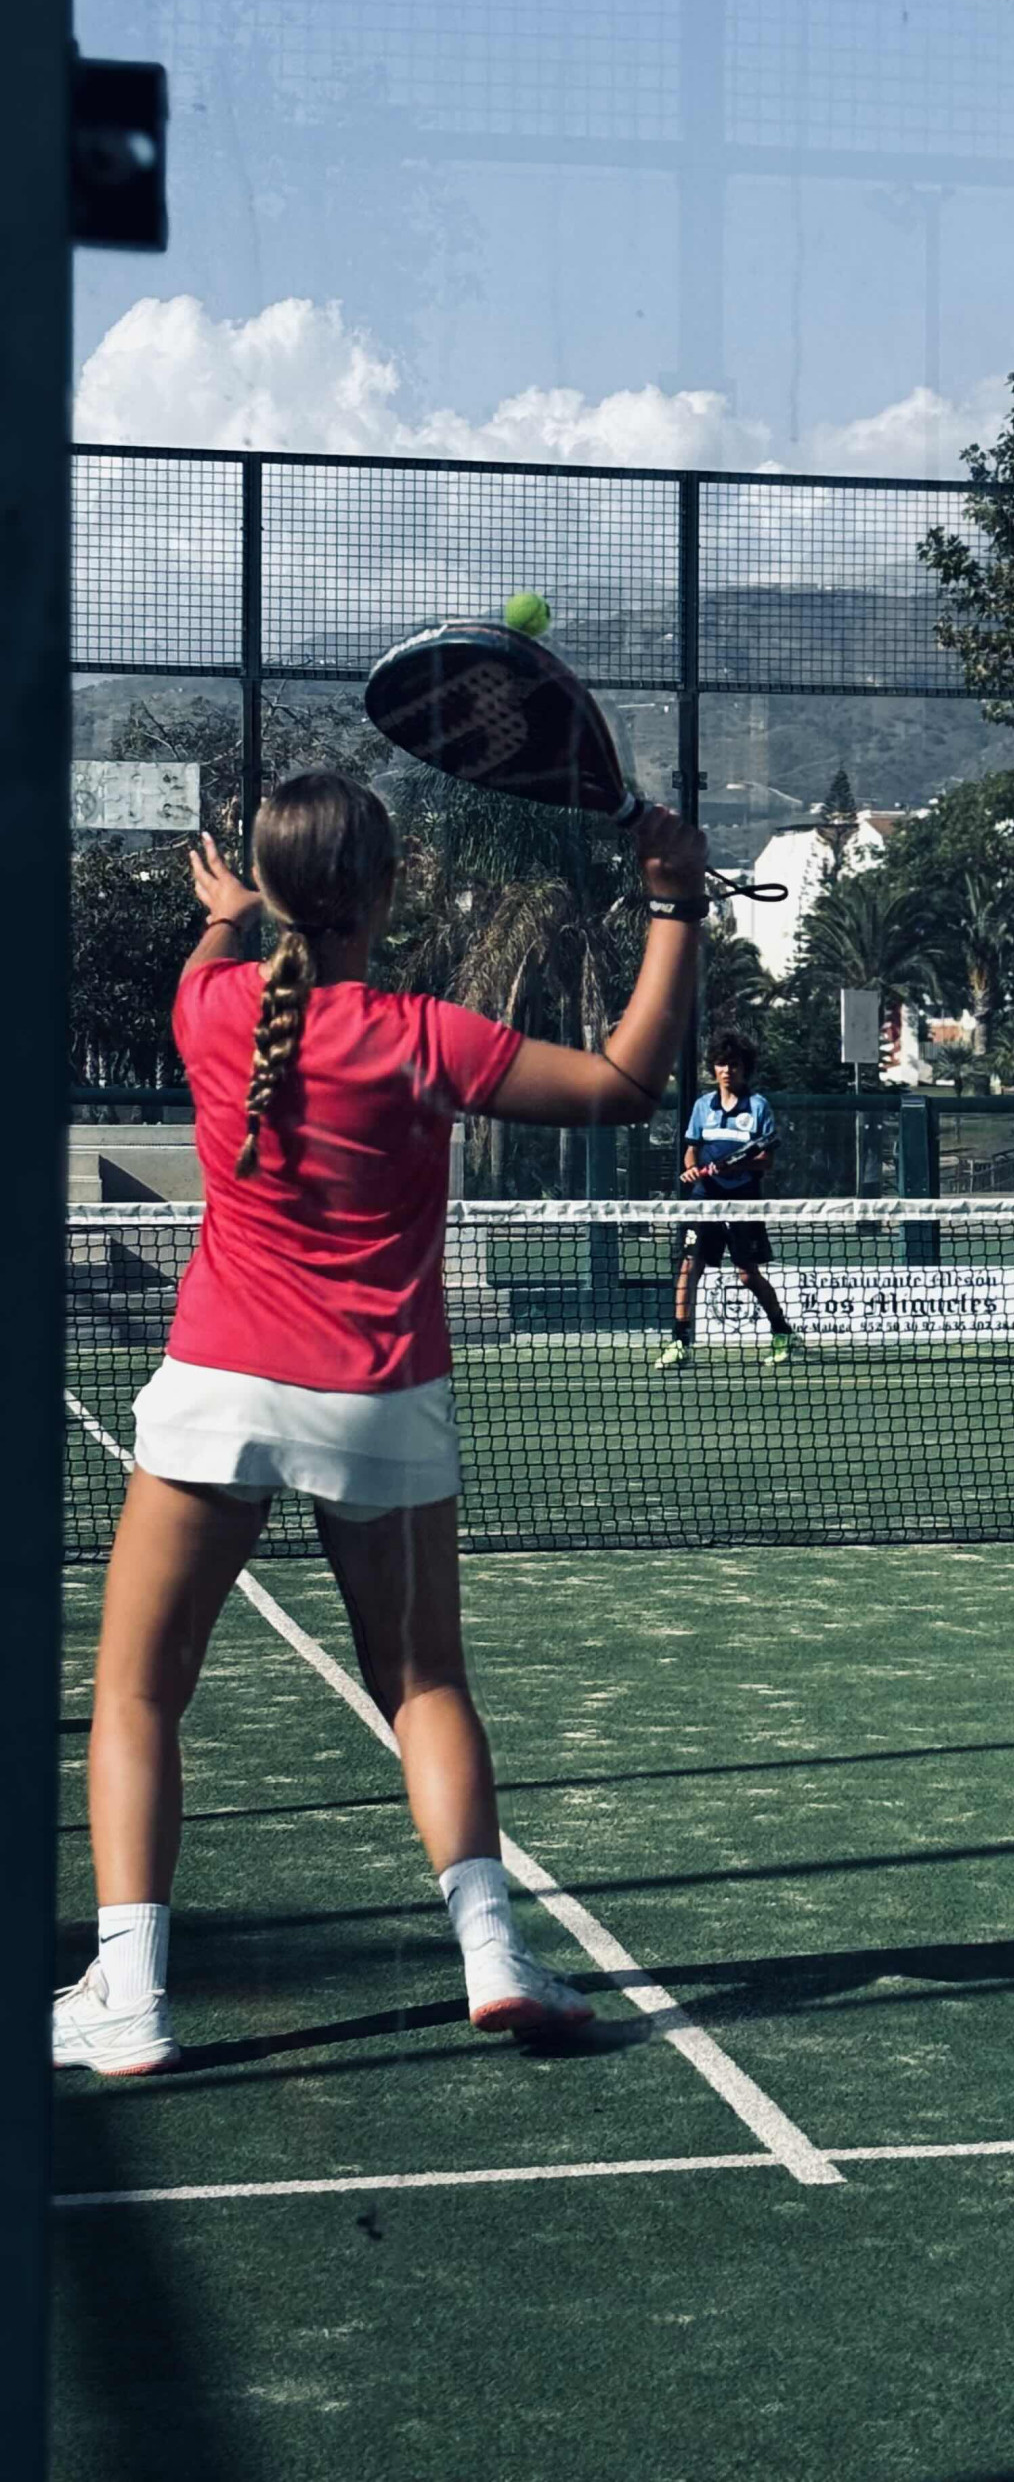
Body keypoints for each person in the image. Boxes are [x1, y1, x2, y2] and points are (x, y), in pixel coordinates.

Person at [54, 770, 709, 2077]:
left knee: (136, 1690)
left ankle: (130, 1991)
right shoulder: (425, 1035)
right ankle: (492, 1954)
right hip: (381, 1405)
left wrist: (226, 915)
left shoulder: (210, 1006)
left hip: (216, 1393)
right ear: (392, 888)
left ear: (272, 888)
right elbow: (626, 1081)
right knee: (423, 1685)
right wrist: (675, 904)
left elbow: (211, 957)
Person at [658, 1028, 797, 1364]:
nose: (727, 1070)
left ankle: (782, 1332)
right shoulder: (702, 1106)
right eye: (721, 1064)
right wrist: (692, 1170)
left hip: (743, 1201)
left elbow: (766, 1160)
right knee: (689, 1267)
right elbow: (692, 1150)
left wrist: (737, 1166)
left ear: (744, 1068)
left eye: (734, 1064)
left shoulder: (758, 1106)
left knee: (747, 1273)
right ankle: (679, 1342)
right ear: (714, 1068)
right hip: (704, 1200)